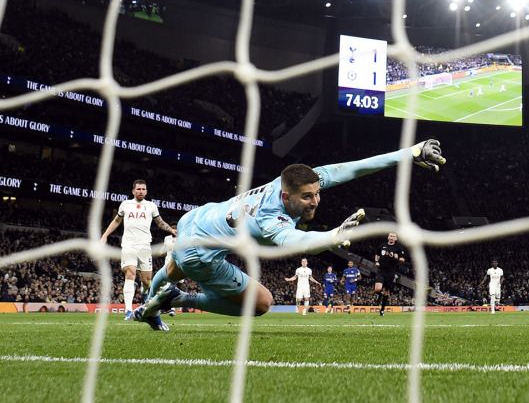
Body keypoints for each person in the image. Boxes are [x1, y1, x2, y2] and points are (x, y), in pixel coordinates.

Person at [133, 140, 446, 330]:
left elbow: (351, 168)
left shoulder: (287, 184)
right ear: (287, 197)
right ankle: (179, 298)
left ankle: (144, 309)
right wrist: (333, 235)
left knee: (170, 269)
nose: (316, 201)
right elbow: (296, 241)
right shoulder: (272, 218)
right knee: (261, 304)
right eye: (308, 197)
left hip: (197, 217)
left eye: (316, 193)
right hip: (201, 252)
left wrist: (409, 153)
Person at [99, 180, 176, 320]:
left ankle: (144, 293)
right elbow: (116, 221)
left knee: (147, 281)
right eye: (138, 189)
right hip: (129, 245)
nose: (141, 191)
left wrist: (171, 230)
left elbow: (159, 222)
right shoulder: (125, 204)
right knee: (130, 272)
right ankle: (128, 311)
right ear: (133, 191)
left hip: (145, 246)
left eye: (143, 189)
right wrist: (105, 235)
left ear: (146, 191)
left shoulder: (151, 206)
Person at [372, 232, 408, 316]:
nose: (392, 237)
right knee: (377, 289)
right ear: (388, 237)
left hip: (391, 272)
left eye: (393, 236)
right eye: (390, 236)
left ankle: (382, 310)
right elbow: (377, 254)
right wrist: (376, 261)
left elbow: (402, 259)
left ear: (396, 239)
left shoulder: (399, 248)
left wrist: (397, 258)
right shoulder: (382, 245)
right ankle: (379, 296)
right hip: (381, 270)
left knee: (386, 292)